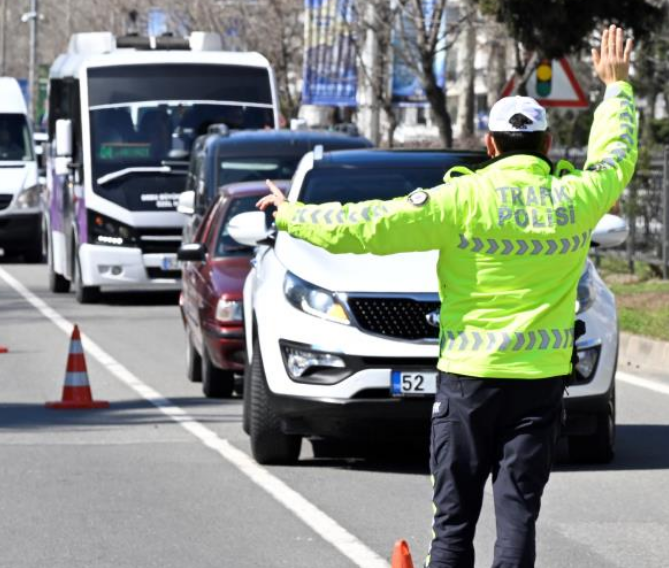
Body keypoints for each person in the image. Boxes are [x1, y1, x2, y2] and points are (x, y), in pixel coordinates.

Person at [256, 26, 637, 568]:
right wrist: (616, 88)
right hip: (539, 383)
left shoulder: (460, 198)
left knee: (454, 522)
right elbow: (614, 158)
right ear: (548, 146)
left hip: (468, 383)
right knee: (517, 515)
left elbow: (368, 224)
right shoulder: (575, 198)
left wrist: (293, 216)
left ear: (490, 145)